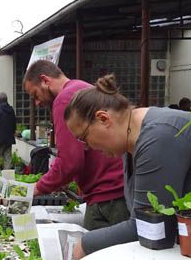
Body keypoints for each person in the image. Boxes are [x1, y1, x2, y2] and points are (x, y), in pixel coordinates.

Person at [64, 74, 191, 260]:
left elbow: (148, 227)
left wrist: (85, 243)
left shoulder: (158, 136)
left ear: (103, 119)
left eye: (83, 138)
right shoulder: (131, 140)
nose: (87, 147)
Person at [23, 60, 128, 230]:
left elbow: (70, 161)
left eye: (35, 95)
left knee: (90, 252)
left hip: (107, 196)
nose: (36, 102)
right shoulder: (80, 86)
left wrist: (37, 188)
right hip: (119, 187)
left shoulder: (64, 100)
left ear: (45, 80)